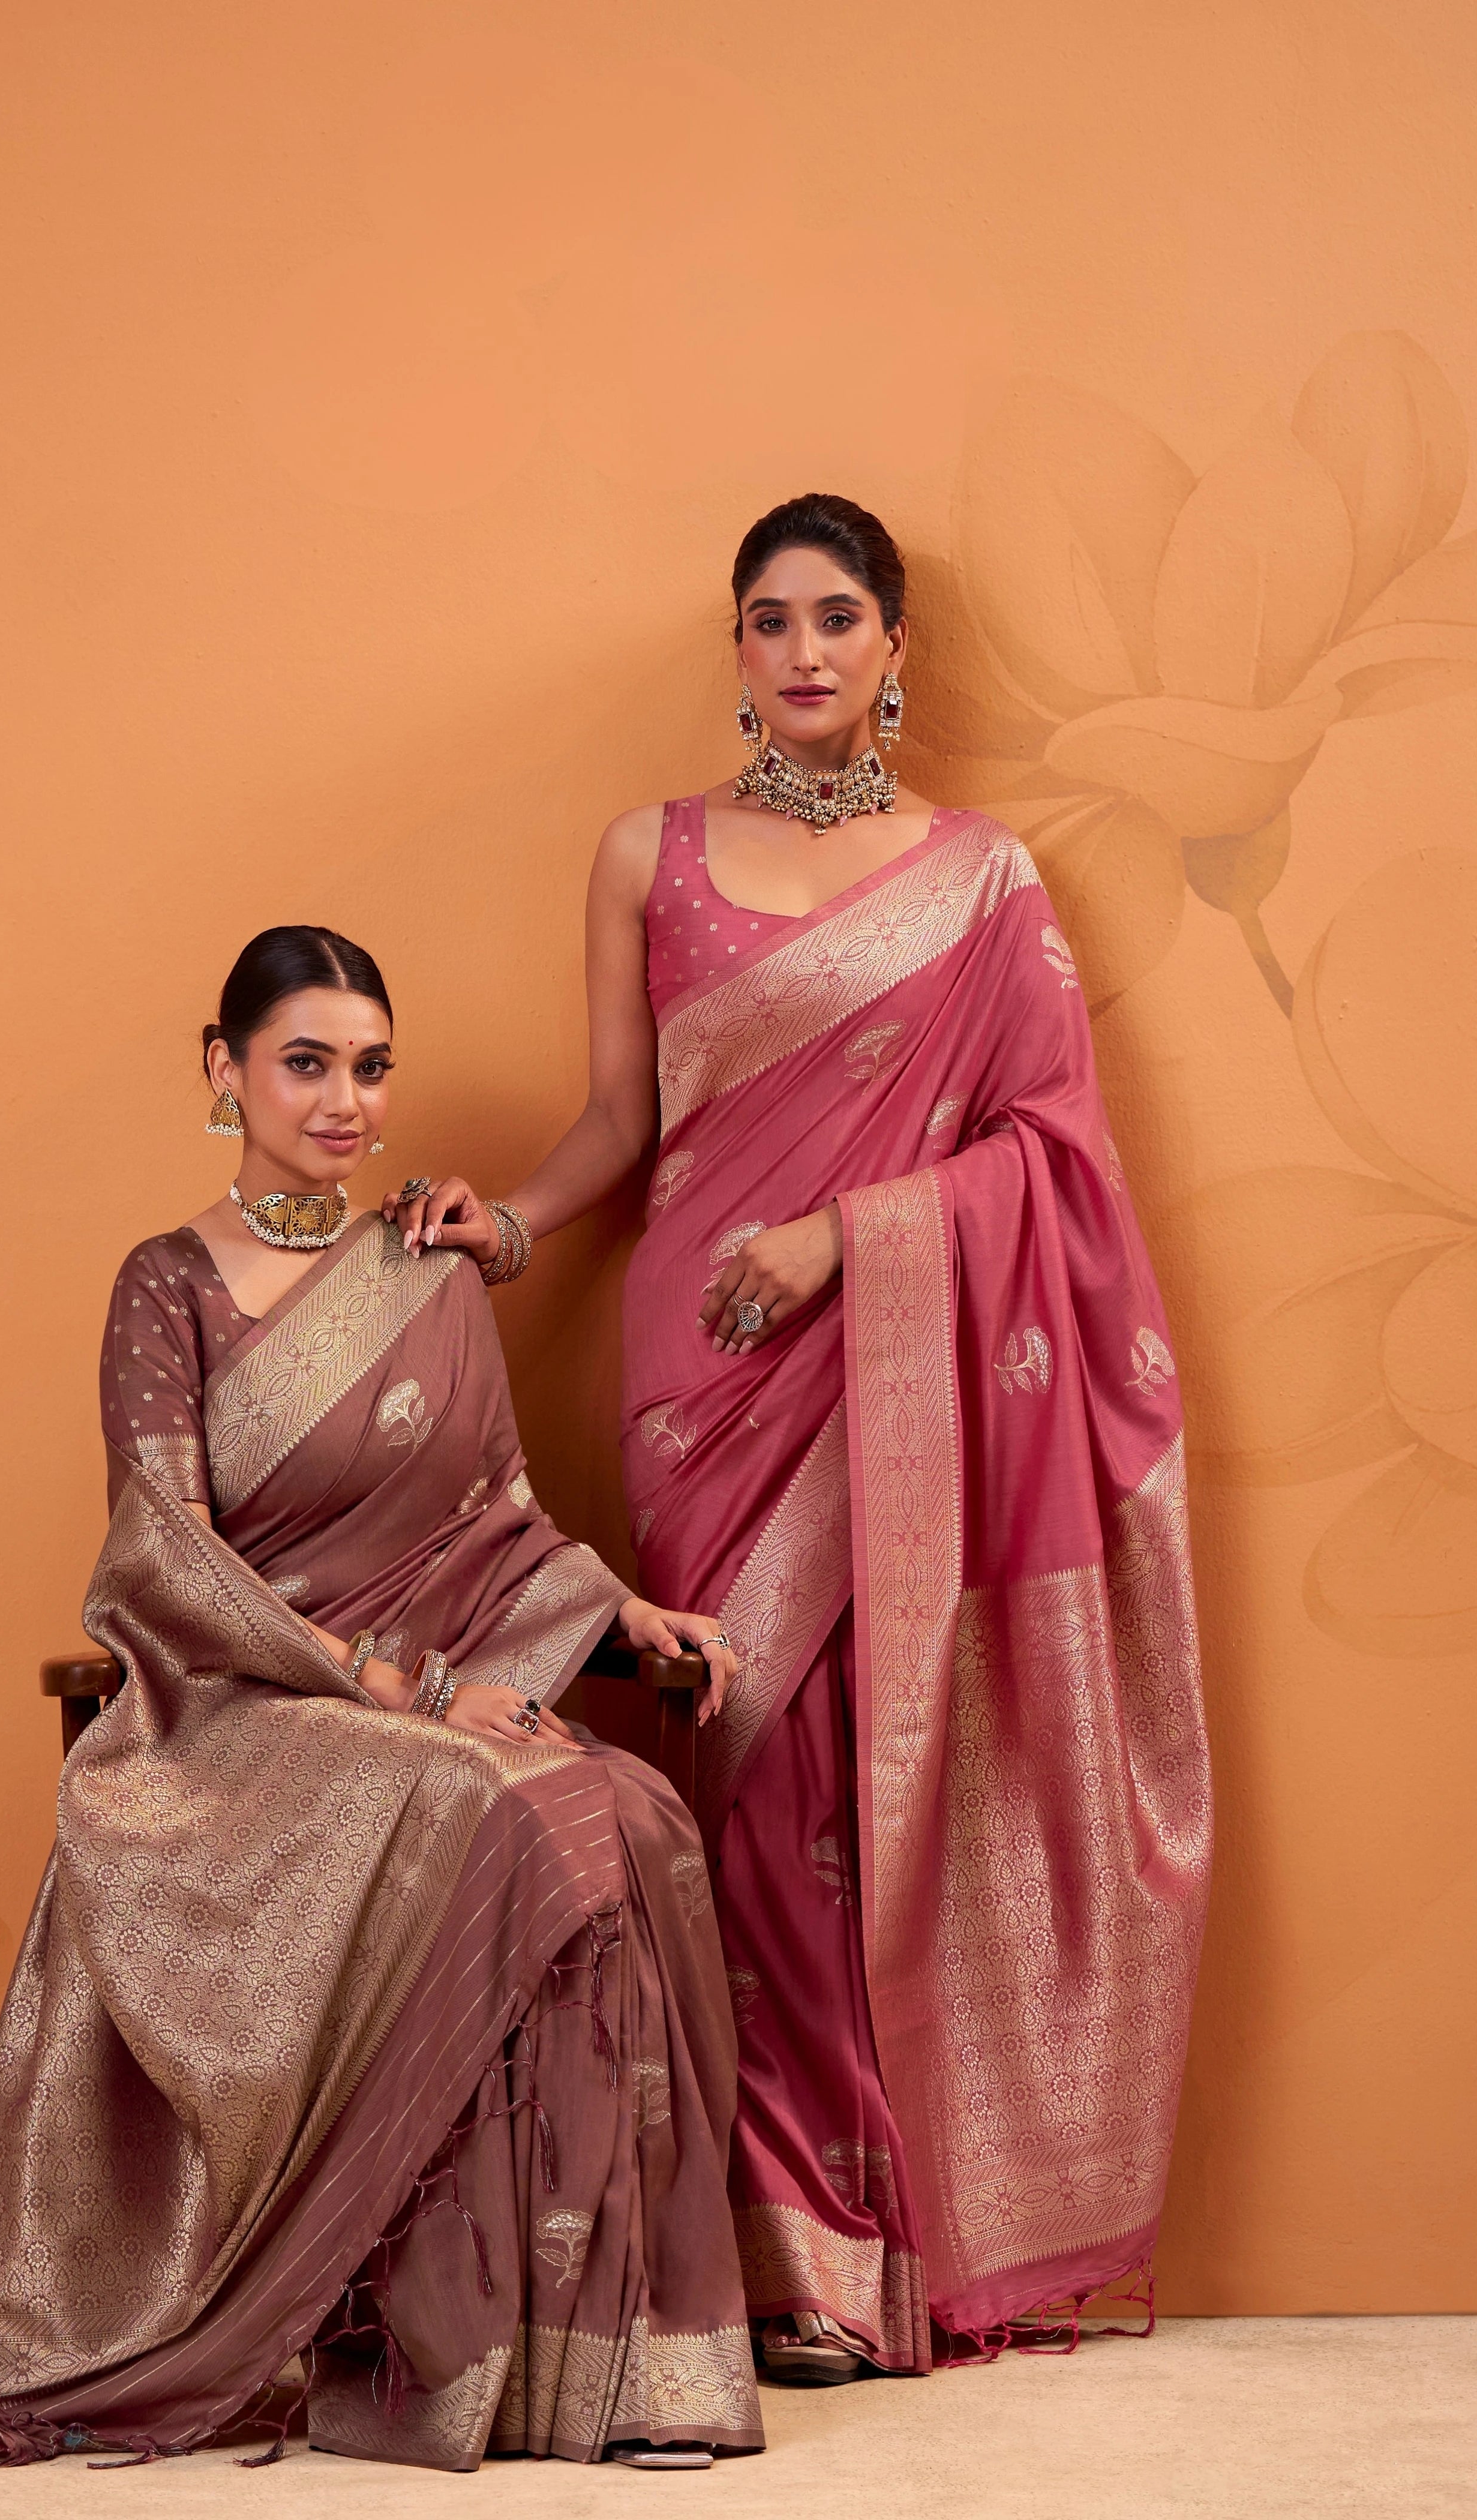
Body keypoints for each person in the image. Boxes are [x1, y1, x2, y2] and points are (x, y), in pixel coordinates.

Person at [389, 493, 1212, 2374]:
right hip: (703, 1375)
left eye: (842, 616)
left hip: (883, 1362)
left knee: (878, 1779)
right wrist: (511, 1229)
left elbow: (1052, 1158)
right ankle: (761, 2242)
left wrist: (849, 1233)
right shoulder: (648, 855)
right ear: (738, 650)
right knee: (744, 1777)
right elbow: (624, 1120)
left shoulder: (985, 881)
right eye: (772, 621)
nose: (809, 651)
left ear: (898, 645)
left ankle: (852, 2252)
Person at [0, 926, 762, 2471]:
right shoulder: (163, 1284)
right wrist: (390, 1684)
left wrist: (623, 1610)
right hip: (242, 1711)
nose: (344, 1101)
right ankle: (429, 2352)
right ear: (222, 1066)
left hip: (425, 1700)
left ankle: (587, 2368)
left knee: (625, 1810)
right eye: (306, 1062)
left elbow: (495, 1520)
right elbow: (166, 1558)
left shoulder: (423, 1269)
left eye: (371, 1067)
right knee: (504, 1812)